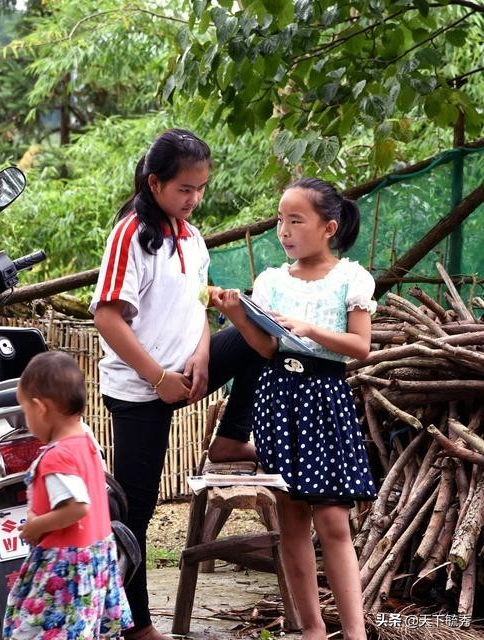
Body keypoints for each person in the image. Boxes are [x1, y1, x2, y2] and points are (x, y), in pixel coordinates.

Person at [89, 128, 264, 640]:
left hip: (188, 373)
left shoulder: (191, 237)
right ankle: (137, 627)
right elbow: (107, 318)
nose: (195, 198)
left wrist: (205, 352)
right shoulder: (130, 234)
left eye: (201, 188)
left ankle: (232, 437)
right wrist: (159, 377)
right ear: (155, 182)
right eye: (185, 189)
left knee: (261, 334)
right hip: (142, 390)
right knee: (135, 514)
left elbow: (199, 305)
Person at [212, 177, 377, 640]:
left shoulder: (351, 279)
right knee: (291, 523)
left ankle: (355, 632)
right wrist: (240, 315)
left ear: (328, 227)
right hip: (277, 399)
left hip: (325, 400)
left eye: (295, 220)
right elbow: (265, 350)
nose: (284, 230)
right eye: (281, 220)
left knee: (332, 521)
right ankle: (311, 631)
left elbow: (360, 347)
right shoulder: (270, 281)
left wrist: (308, 329)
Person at [2, 351, 132, 640]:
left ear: (40, 408)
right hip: (94, 557)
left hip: (66, 566)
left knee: (39, 631)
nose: (26, 419)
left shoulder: (57, 457)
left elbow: (76, 507)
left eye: (25, 411)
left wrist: (37, 525)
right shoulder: (85, 440)